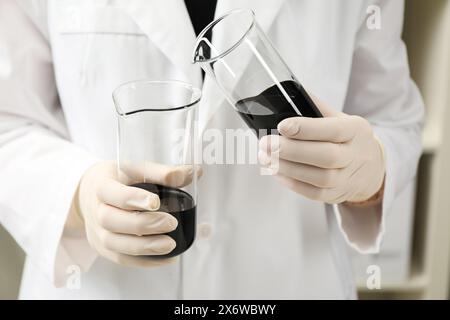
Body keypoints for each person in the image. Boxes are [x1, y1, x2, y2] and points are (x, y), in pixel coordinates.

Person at [0, 0, 423, 299]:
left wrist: (373, 167)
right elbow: (8, 123)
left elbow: (396, 121)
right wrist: (78, 195)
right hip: (107, 288)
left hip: (288, 280)